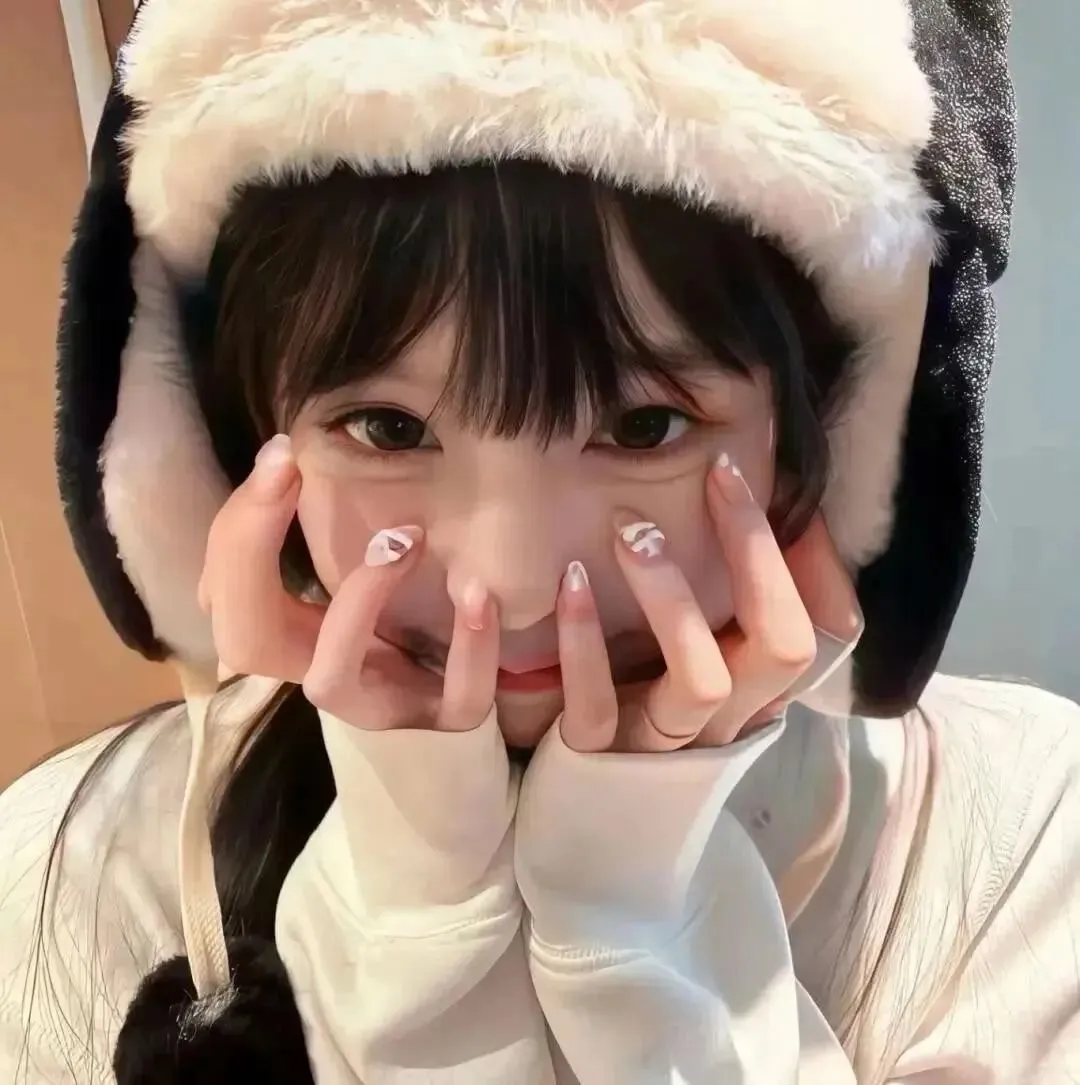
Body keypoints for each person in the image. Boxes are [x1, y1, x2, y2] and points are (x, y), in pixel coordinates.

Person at [2, 0, 1077, 1082]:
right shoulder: (71, 873)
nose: (510, 586)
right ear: (238, 451)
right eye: (388, 429)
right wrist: (412, 896)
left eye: (645, 427)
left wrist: (628, 921)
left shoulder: (1026, 831)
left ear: (818, 449)